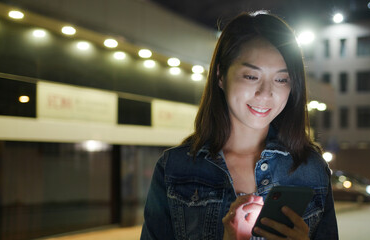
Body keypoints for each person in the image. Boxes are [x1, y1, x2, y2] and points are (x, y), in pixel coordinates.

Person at [140, 11, 338, 240]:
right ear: (221, 75)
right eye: (251, 76)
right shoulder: (175, 168)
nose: (266, 93)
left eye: (282, 79)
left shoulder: (311, 169)